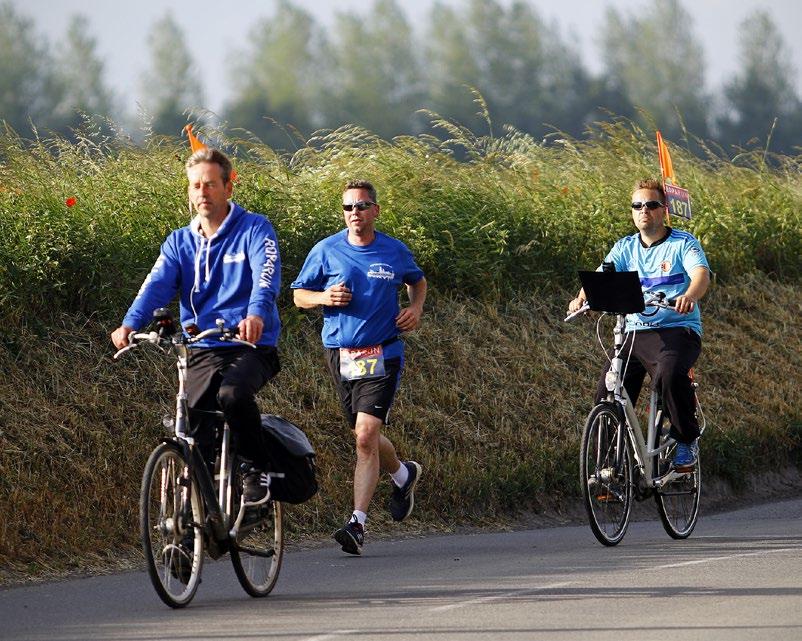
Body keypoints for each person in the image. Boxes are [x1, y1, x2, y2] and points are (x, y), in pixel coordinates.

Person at [111, 148, 281, 504]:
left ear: (227, 188)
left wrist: (256, 315)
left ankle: (255, 468)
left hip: (250, 345)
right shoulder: (179, 242)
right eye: (195, 186)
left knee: (232, 395)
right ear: (189, 192)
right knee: (190, 427)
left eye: (210, 184)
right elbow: (155, 285)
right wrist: (129, 324)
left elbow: (265, 278)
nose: (202, 192)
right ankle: (190, 528)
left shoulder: (254, 228)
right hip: (202, 346)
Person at [291, 179, 427, 555]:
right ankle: (402, 474)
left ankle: (357, 524)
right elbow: (298, 295)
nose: (355, 213)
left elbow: (418, 281)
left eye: (363, 206)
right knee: (362, 434)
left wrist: (414, 308)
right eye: (349, 208)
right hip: (341, 353)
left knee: (366, 435)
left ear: (376, 211)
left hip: (383, 351)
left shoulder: (394, 251)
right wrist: (322, 297)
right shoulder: (326, 250)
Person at [568, 178, 710, 469]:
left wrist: (688, 296)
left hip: (676, 330)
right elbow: (603, 274)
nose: (644, 210)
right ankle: (608, 465)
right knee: (608, 392)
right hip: (634, 333)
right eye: (637, 205)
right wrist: (582, 298)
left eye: (651, 204)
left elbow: (701, 275)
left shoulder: (683, 243)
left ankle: (685, 439)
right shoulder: (625, 247)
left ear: (664, 210)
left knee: (669, 376)